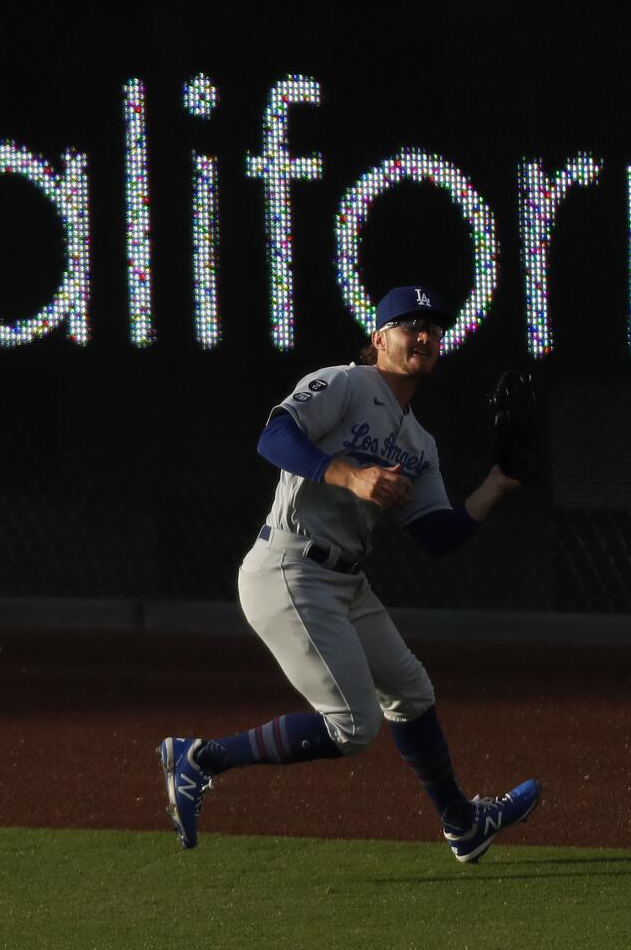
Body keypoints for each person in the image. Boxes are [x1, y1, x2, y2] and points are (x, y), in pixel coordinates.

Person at [160, 285, 539, 863]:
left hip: (343, 581)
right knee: (353, 727)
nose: (424, 334)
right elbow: (274, 435)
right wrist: (352, 477)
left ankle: (463, 823)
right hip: (288, 567)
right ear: (380, 338)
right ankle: (200, 758)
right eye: (409, 323)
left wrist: (496, 485)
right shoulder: (346, 382)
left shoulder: (419, 443)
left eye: (433, 326)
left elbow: (437, 536)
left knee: (411, 692)